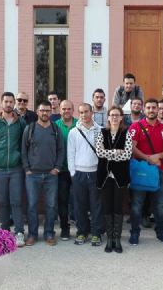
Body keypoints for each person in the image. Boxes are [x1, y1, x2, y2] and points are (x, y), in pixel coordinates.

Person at [0, 92, 27, 247]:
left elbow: (25, 144)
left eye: (11, 102)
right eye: (6, 101)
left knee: (16, 201)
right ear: (1, 103)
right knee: (2, 202)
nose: (9, 104)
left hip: (16, 168)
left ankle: (19, 232)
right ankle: (4, 232)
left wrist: (24, 164)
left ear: (14, 103)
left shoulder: (20, 123)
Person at [128, 98, 163, 245]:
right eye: (149, 108)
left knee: (159, 205)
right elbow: (132, 148)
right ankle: (134, 233)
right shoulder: (136, 127)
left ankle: (161, 233)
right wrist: (147, 158)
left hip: (160, 172)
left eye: (154, 108)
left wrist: (156, 156)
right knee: (137, 205)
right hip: (141, 171)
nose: (152, 110)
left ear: (158, 110)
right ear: (144, 110)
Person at [22, 101, 64, 246]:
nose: (45, 113)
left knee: (51, 205)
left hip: (51, 175)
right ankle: (32, 234)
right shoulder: (30, 128)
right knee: (32, 205)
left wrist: (57, 167)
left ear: (50, 112)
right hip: (32, 175)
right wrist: (27, 168)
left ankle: (49, 233)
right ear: (37, 112)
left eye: (47, 110)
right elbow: (23, 150)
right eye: (42, 110)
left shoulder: (55, 129)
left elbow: (61, 150)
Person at [95, 106, 132, 253]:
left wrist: (108, 153)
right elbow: (99, 152)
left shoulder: (126, 133)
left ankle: (117, 239)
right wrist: (116, 151)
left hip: (120, 176)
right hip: (105, 176)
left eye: (117, 115)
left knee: (118, 207)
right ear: (108, 117)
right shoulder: (102, 132)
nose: (114, 117)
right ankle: (109, 239)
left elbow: (127, 154)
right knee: (107, 207)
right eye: (112, 115)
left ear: (121, 117)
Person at [68, 103, 102, 246]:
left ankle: (96, 233)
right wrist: (73, 173)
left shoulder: (100, 130)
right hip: (79, 173)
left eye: (86, 112)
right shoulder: (73, 132)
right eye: (81, 112)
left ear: (92, 112)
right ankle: (82, 232)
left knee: (96, 206)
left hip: (95, 173)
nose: (84, 115)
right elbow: (71, 153)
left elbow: (102, 154)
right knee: (79, 205)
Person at [54, 100, 78, 241]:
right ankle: (65, 228)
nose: (66, 111)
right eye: (64, 109)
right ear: (60, 110)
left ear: (73, 110)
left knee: (79, 200)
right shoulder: (54, 125)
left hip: (77, 169)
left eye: (69, 108)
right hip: (61, 170)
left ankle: (81, 228)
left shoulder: (79, 124)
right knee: (62, 200)